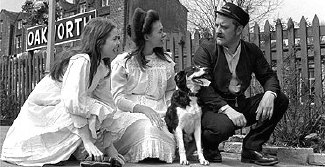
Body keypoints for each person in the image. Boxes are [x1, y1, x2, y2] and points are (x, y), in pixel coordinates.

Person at [1, 17, 125, 166]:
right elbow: (72, 101)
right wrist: (87, 140)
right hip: (44, 110)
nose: (119, 43)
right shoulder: (82, 61)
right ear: (99, 41)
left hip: (67, 107)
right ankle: (64, 151)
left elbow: (107, 102)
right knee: (89, 109)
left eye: (119, 38)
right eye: (114, 39)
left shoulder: (103, 67)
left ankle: (84, 153)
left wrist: (109, 148)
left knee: (99, 108)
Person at [193, 2, 289, 166]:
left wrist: (269, 94)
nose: (217, 31)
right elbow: (203, 88)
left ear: (238, 30)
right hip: (210, 108)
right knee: (224, 126)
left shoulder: (251, 51)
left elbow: (268, 76)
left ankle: (251, 148)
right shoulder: (206, 49)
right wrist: (227, 110)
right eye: (216, 25)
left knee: (280, 99)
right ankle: (208, 146)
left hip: (238, 104)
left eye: (224, 27)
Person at [108, 8, 176, 163]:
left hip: (161, 112)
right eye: (160, 32)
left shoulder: (166, 62)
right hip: (130, 114)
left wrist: (170, 111)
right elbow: (117, 98)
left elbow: (170, 90)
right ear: (146, 36)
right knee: (149, 127)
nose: (164, 34)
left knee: (159, 128)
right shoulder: (124, 62)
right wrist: (143, 109)